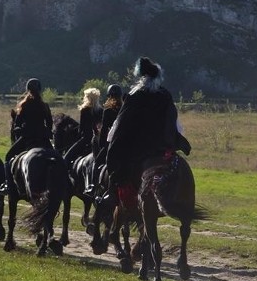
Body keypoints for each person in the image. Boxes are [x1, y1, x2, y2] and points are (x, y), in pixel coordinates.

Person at [106, 57, 180, 198]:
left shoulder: (135, 95)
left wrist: (114, 144)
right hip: (164, 145)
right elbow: (173, 120)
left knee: (117, 165)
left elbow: (122, 123)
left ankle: (112, 193)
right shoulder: (165, 95)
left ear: (142, 77)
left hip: (139, 148)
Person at [0, 78, 53, 195]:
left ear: (28, 90)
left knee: (8, 157)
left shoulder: (23, 105)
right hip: (43, 139)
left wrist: (20, 130)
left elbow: (17, 124)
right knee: (58, 158)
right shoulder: (45, 106)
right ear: (40, 90)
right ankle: (64, 182)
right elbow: (49, 124)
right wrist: (46, 131)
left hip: (27, 138)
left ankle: (8, 184)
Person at [84, 84, 123, 199]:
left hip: (112, 144)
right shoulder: (124, 109)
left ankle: (92, 187)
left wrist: (102, 146)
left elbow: (105, 130)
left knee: (96, 164)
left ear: (109, 96)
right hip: (126, 145)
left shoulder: (108, 111)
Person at [63, 87, 102, 168]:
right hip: (99, 139)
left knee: (66, 157)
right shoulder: (101, 110)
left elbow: (81, 129)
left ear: (88, 98)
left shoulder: (85, 110)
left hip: (86, 139)